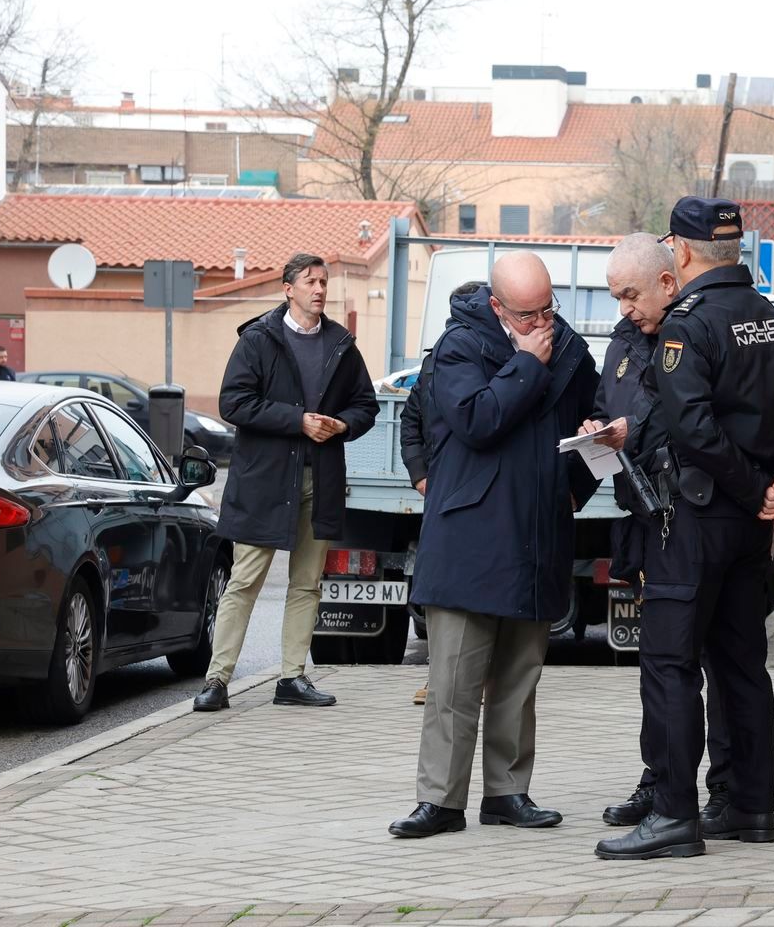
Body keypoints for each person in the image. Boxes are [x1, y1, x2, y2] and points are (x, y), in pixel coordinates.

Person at [596, 198, 774, 861]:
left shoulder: (687, 328)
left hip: (696, 520)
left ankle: (672, 816)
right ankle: (749, 808)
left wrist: (753, 492)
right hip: (752, 530)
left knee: (668, 667)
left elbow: (692, 430)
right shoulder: (772, 320)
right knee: (743, 665)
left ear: (681, 255)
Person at [389, 251, 601, 839]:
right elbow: (479, 420)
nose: (541, 323)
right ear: (497, 306)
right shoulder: (460, 348)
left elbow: (592, 426)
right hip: (470, 538)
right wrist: (527, 366)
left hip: (537, 534)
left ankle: (508, 792)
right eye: (527, 314)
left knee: (518, 677)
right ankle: (440, 800)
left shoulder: (574, 352)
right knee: (453, 680)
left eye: (547, 309)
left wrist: (572, 489)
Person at [576, 234, 733, 830]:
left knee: (703, 661)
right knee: (659, 664)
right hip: (642, 514)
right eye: (617, 297)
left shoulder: (691, 334)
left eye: (631, 295)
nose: (625, 308)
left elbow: (686, 418)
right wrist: (597, 425)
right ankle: (659, 779)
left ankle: (714, 791)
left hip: (688, 513)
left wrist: (626, 433)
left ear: (667, 282)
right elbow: (607, 396)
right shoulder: (623, 339)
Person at [192, 253, 378, 713]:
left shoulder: (341, 343)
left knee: (307, 584)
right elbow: (233, 402)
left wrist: (341, 425)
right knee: (245, 580)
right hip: (265, 482)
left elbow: (366, 405)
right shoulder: (259, 339)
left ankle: (291, 677)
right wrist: (298, 421)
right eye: (310, 281)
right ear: (288, 288)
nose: (319, 289)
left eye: (324, 281)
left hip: (321, 480)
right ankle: (217, 681)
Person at [402, 280, 486, 708]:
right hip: (442, 496)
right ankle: (440, 677)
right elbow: (411, 423)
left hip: (480, 496)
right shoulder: (437, 363)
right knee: (438, 591)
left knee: (476, 588)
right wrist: (421, 477)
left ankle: (478, 679)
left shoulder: (489, 358)